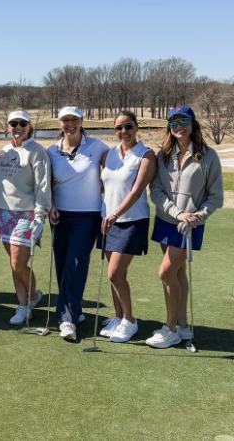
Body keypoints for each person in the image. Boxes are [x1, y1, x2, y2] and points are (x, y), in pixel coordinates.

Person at [147, 106, 223, 348]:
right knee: (177, 273)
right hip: (166, 221)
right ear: (169, 127)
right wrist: (176, 212)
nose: (178, 126)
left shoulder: (208, 156)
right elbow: (156, 190)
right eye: (173, 122)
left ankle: (169, 329)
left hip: (189, 226)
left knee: (166, 273)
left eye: (184, 121)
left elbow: (216, 196)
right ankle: (182, 325)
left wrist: (196, 217)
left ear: (193, 124)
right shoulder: (163, 155)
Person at [47, 106, 109, 340]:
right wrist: (51, 205)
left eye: (74, 119)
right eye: (65, 120)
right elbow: (48, 185)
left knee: (76, 264)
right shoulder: (52, 151)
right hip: (59, 216)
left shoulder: (98, 146)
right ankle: (76, 309)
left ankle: (67, 319)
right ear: (60, 123)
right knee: (62, 266)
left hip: (87, 216)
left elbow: (116, 166)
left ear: (82, 121)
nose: (70, 124)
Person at [97, 111, 156, 343]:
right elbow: (104, 185)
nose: (124, 132)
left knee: (115, 273)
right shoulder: (108, 155)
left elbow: (137, 191)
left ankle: (130, 321)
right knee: (115, 276)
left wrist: (115, 213)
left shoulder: (146, 155)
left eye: (128, 126)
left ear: (136, 128)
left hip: (131, 221)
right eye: (119, 128)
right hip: (107, 221)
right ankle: (119, 317)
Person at [0, 110, 51, 326]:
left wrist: (40, 217)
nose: (18, 127)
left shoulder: (37, 151)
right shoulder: (4, 150)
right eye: (13, 123)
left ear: (29, 126)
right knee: (13, 264)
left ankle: (33, 298)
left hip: (27, 214)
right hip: (3, 213)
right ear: (8, 126)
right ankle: (25, 303)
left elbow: (43, 186)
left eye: (22, 123)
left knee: (19, 264)